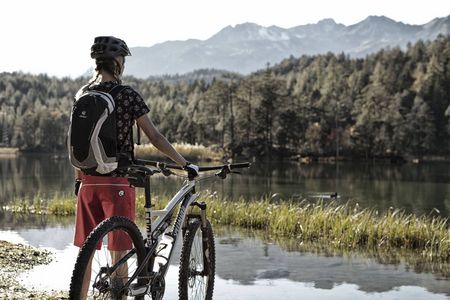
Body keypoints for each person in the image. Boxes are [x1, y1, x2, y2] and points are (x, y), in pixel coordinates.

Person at [72, 36, 198, 299]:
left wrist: (79, 179)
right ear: (118, 62)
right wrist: (184, 163)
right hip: (118, 181)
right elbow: (155, 137)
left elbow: (77, 141)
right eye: (123, 60)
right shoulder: (127, 95)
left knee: (86, 252)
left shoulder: (82, 94)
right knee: (119, 250)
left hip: (87, 182)